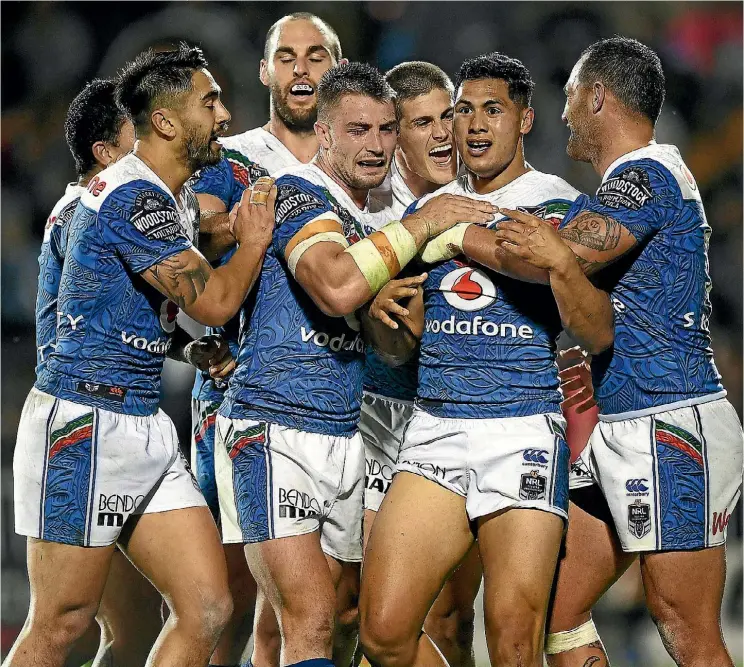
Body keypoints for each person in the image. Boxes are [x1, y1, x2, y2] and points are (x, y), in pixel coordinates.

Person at [212, 61, 495, 667]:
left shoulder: (370, 220)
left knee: (344, 616)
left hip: (344, 432)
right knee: (305, 617)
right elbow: (338, 286)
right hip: (273, 425)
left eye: (387, 130)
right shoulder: (296, 193)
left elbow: (384, 339)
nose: (376, 145)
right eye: (359, 130)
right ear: (325, 133)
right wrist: (424, 224)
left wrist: (393, 318)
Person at [8, 44, 277, 667]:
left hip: (144, 420)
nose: (226, 115)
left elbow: (119, 304)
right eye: (209, 102)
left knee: (208, 606)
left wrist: (186, 345)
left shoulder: (165, 197)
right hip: (84, 424)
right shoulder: (134, 199)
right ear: (165, 121)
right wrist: (254, 241)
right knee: (60, 622)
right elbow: (211, 299)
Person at [490, 37, 743, 667]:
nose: (566, 112)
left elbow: (562, 254)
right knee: (555, 606)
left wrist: (444, 227)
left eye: (572, 96)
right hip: (624, 419)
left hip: (670, 423)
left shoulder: (645, 174)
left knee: (686, 630)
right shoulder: (642, 179)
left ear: (597, 95)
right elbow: (599, 295)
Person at [358, 52, 613, 667]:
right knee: (383, 632)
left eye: (491, 111)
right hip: (435, 427)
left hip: (522, 429)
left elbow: (569, 291)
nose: (472, 126)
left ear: (524, 120)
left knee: (514, 637)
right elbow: (394, 343)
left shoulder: (557, 203)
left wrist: (457, 235)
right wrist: (389, 324)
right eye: (462, 112)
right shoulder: (434, 208)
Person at [190, 14, 344, 666]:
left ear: (338, 68)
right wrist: (242, 224)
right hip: (240, 397)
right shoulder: (235, 158)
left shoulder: (366, 163)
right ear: (265, 71)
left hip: (343, 399)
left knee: (312, 608)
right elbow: (193, 231)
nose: (302, 69)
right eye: (287, 57)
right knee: (217, 596)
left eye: (316, 56)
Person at [362, 61, 481, 667]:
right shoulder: (377, 215)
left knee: (454, 618)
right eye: (422, 123)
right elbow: (384, 340)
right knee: (373, 618)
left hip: (473, 421)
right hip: (383, 420)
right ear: (394, 136)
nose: (443, 134)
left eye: (450, 116)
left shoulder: (488, 196)